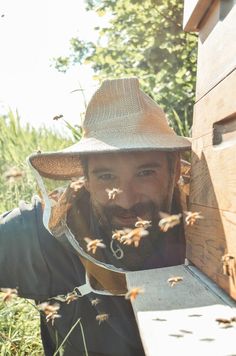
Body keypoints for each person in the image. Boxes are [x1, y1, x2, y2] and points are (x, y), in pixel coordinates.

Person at [0, 77, 191, 355]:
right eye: (106, 176)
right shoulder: (39, 236)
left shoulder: (207, 220)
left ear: (174, 172)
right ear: (85, 180)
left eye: (145, 173)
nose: (125, 199)